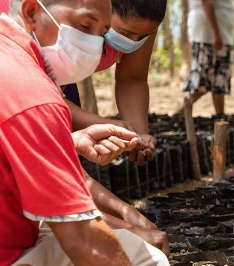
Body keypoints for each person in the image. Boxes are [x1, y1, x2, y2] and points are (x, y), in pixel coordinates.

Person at [1, 0, 169, 264]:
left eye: (100, 32)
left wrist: (70, 141)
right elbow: (80, 236)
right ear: (31, 11)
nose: (94, 47)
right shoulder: (34, 98)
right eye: (85, 27)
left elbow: (41, 162)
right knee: (147, 258)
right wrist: (124, 227)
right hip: (10, 251)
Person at [63, 0, 166, 165]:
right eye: (126, 34)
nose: (134, 41)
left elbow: (132, 78)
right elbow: (36, 95)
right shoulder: (61, 18)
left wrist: (138, 135)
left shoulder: (141, 24)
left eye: (144, 36)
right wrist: (107, 126)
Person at [169, 0, 234, 117]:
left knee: (218, 81)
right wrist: (216, 33)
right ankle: (178, 113)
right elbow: (206, 2)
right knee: (202, 80)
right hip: (209, 34)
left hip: (219, 34)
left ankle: (220, 116)